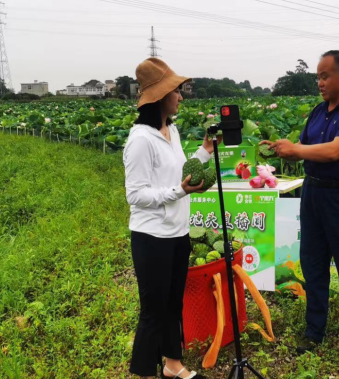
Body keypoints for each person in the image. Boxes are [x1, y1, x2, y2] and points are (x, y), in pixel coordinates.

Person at [260, 50, 339, 359]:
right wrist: (282, 150)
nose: (320, 83)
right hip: (312, 194)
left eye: (325, 76)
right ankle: (314, 332)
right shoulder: (317, 112)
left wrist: (296, 150)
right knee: (312, 265)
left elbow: (335, 151)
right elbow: (306, 147)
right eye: (318, 77)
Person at [124, 58, 219, 379]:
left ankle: (172, 364)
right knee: (152, 311)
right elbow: (136, 195)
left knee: (173, 304)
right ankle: (144, 372)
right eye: (176, 91)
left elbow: (178, 173)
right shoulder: (140, 140)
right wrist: (178, 192)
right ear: (160, 96)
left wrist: (204, 153)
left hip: (177, 232)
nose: (181, 96)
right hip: (151, 237)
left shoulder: (171, 131)